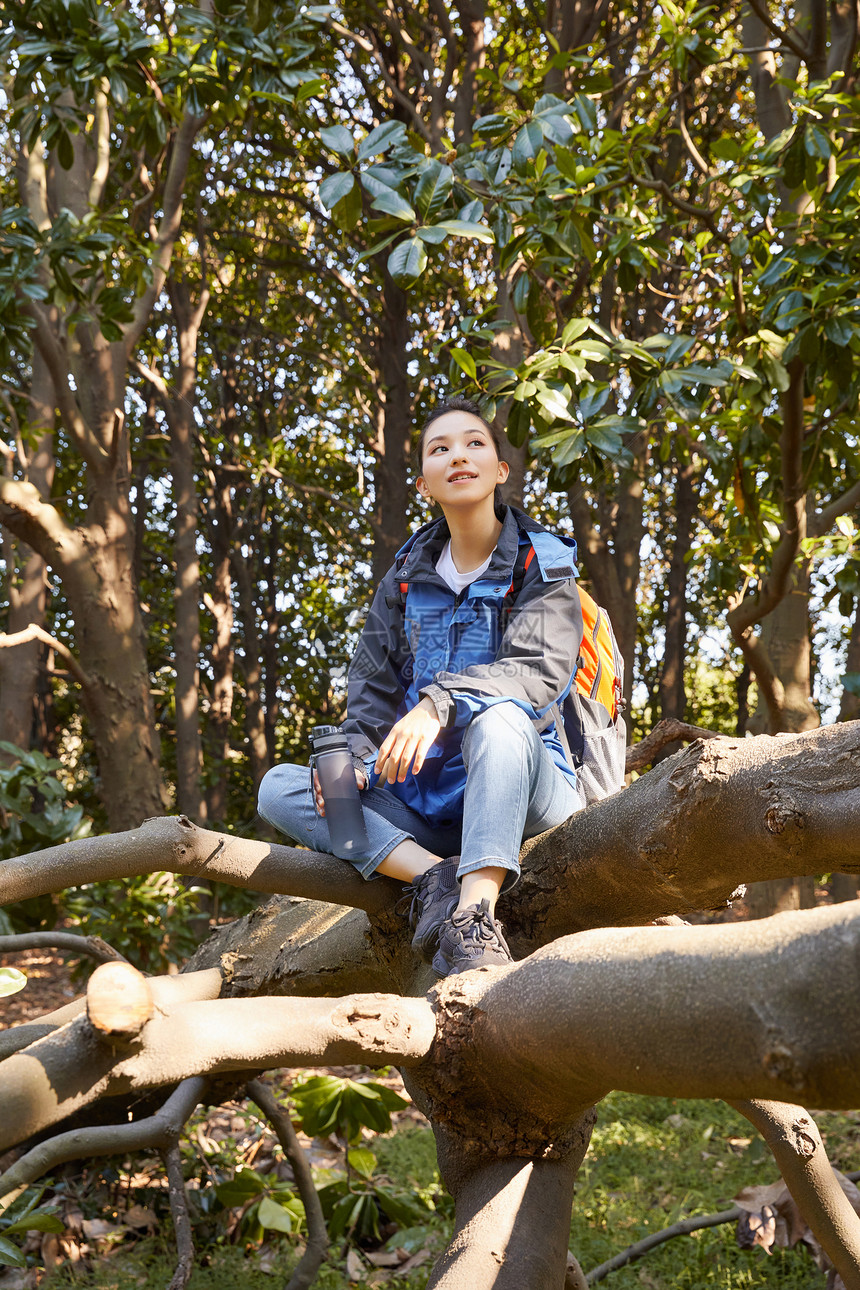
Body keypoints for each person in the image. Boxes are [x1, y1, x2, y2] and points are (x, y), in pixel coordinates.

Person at [258, 395, 586, 976]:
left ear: (500, 470)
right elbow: (372, 698)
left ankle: (474, 918)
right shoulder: (405, 578)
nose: (458, 456)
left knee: (499, 718)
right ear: (423, 483)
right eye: (441, 449)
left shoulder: (544, 561)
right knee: (285, 786)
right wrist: (355, 760)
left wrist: (442, 703)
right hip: (426, 809)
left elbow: (538, 671)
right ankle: (430, 874)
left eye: (474, 443)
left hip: (525, 786)